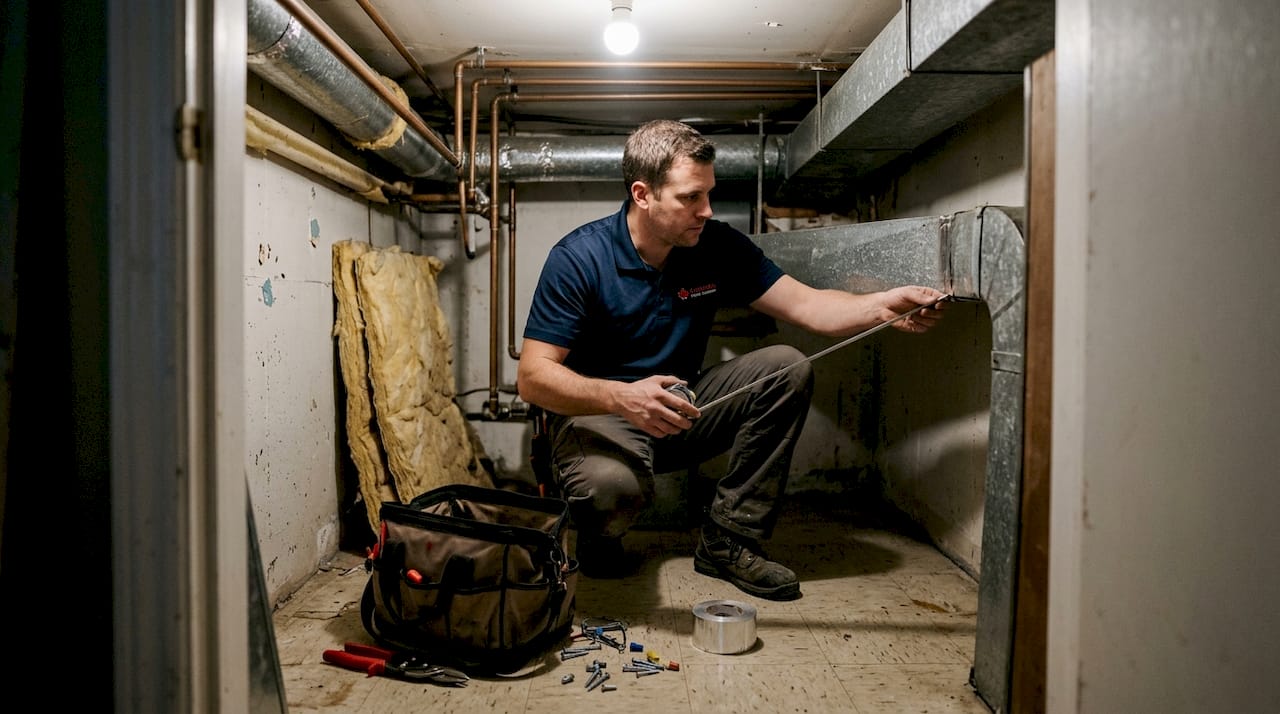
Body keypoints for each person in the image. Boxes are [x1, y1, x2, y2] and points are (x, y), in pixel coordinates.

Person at [516, 119, 946, 601]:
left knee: (786, 365)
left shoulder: (715, 245)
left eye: (709, 194)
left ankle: (727, 540)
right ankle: (601, 533)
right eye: (690, 198)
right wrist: (622, 397)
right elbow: (533, 378)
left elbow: (808, 306)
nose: (706, 210)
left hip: (682, 408)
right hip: (602, 418)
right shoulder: (579, 258)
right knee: (608, 492)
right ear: (643, 194)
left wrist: (882, 307)